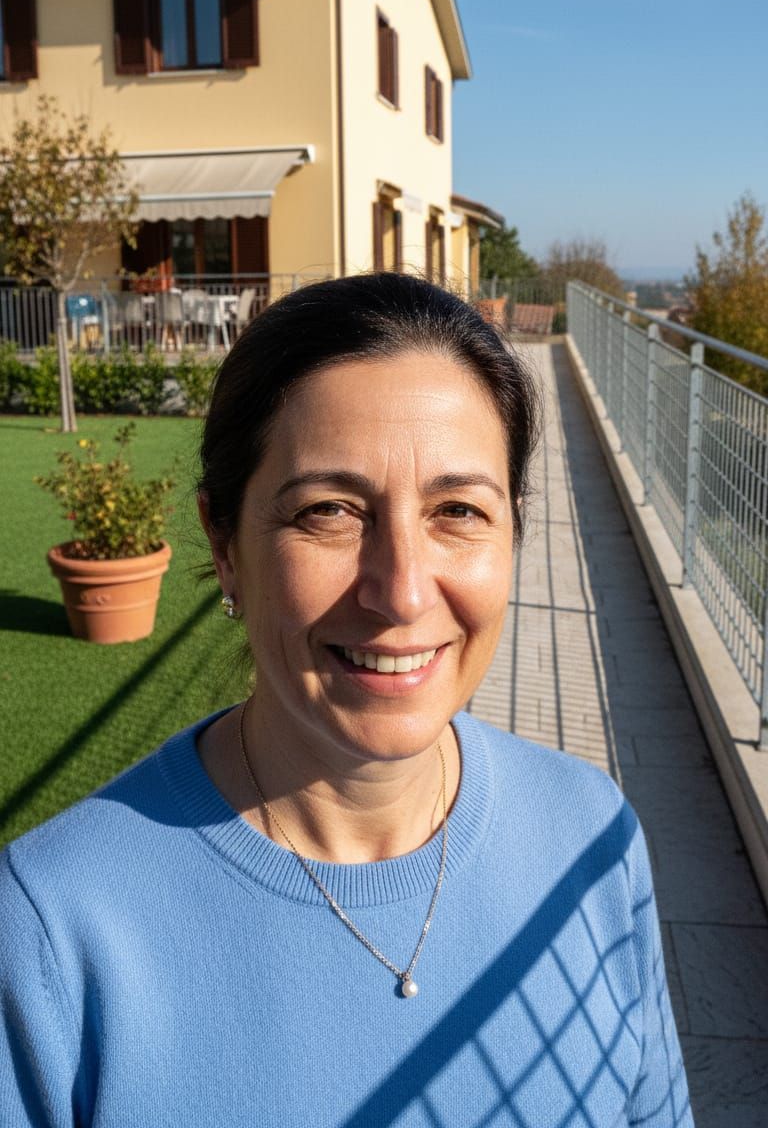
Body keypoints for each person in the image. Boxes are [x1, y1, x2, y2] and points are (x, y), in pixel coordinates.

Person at [0, 273, 692, 1127]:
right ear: (225, 546)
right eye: (328, 510)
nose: (401, 593)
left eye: (458, 510)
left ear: (513, 529)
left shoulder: (593, 838)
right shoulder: (50, 932)